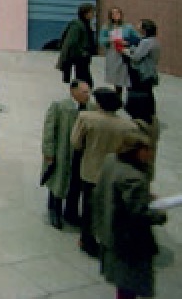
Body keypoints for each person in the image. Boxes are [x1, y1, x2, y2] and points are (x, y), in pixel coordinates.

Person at [93, 130, 167, 299]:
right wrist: (160, 214)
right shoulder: (134, 178)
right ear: (134, 150)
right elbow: (139, 213)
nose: (150, 153)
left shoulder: (111, 161)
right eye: (146, 149)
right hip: (129, 241)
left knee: (123, 282)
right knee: (130, 282)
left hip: (110, 230)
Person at [71, 86, 138, 256]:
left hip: (91, 170)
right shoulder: (128, 125)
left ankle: (87, 240)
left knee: (88, 207)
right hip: (114, 172)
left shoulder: (86, 118)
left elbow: (76, 143)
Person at [42, 79, 91, 229]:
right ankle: (54, 211)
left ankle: (71, 213)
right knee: (57, 182)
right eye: (84, 92)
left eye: (89, 92)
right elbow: (49, 130)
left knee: (75, 184)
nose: (87, 95)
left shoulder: (90, 108)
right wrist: (49, 152)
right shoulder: (60, 106)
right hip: (61, 152)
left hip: (79, 154)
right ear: (73, 91)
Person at [100, 7, 140, 97]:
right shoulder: (106, 27)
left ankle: (130, 97)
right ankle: (118, 96)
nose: (116, 15)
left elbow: (137, 38)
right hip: (113, 53)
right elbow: (101, 40)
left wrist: (127, 42)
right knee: (116, 77)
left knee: (126, 76)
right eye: (113, 14)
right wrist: (109, 40)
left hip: (125, 52)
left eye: (118, 13)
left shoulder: (128, 26)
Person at [58, 2, 97, 86]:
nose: (93, 15)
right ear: (85, 13)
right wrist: (82, 52)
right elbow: (71, 42)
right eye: (91, 12)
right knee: (85, 81)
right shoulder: (77, 25)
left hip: (84, 58)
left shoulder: (86, 24)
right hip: (79, 57)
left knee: (83, 80)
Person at [125, 18, 160, 106]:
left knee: (142, 92)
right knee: (148, 92)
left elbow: (136, 57)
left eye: (139, 25)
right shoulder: (154, 40)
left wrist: (126, 52)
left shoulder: (146, 42)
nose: (137, 26)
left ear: (144, 29)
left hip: (143, 71)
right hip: (150, 70)